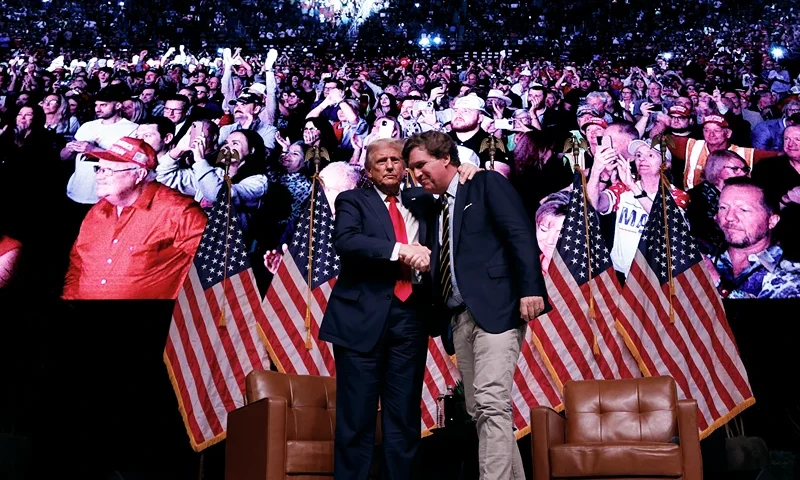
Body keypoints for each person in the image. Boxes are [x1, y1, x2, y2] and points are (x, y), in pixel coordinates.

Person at [318, 138, 477, 480]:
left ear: (405, 166)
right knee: (356, 418)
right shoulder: (352, 200)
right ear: (369, 170)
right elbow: (347, 241)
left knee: (403, 417)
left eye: (395, 160)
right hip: (361, 321)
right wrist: (401, 250)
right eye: (381, 161)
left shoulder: (424, 201)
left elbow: (460, 204)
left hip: (411, 319)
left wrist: (469, 173)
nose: (389, 165)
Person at [404, 131, 549, 480]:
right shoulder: (432, 204)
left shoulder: (484, 184)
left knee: (490, 402)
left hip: (498, 309)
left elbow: (519, 233)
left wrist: (531, 289)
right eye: (411, 169)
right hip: (459, 319)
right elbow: (394, 191)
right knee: (480, 408)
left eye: (421, 165)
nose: (416, 174)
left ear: (445, 158)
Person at [63, 137, 207, 299]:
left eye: (109, 170)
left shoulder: (177, 211)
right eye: (99, 169)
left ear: (139, 174)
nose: (99, 176)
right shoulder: (96, 212)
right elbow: (77, 265)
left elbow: (222, 264)